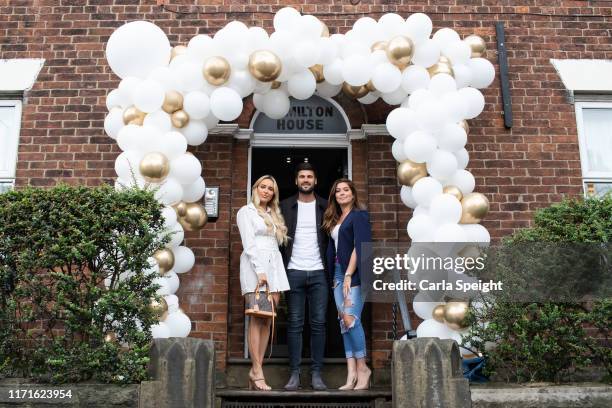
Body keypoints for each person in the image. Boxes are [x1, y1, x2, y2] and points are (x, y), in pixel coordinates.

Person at [237, 175, 290, 391]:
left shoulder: (273, 214)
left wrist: (271, 271)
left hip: (274, 266)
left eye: (270, 188)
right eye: (263, 186)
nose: (266, 191)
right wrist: (260, 271)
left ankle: (258, 369)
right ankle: (256, 369)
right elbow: (248, 243)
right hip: (255, 266)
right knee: (257, 318)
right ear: (255, 188)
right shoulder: (245, 212)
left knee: (268, 319)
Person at [280, 163, 329, 391]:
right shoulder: (285, 206)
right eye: (302, 176)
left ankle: (317, 373)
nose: (306, 180)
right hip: (294, 272)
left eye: (310, 176)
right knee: (295, 324)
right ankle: (295, 374)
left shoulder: (326, 207)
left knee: (319, 324)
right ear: (296, 181)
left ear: (315, 181)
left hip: (320, 272)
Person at [322, 179, 372, 390]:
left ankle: (363, 368)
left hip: (354, 273)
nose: (342, 193)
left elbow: (358, 246)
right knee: (344, 322)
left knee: (351, 319)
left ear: (353, 194)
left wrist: (350, 274)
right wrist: (337, 276)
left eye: (346, 190)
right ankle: (350, 372)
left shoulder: (359, 216)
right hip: (337, 273)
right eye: (338, 191)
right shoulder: (336, 219)